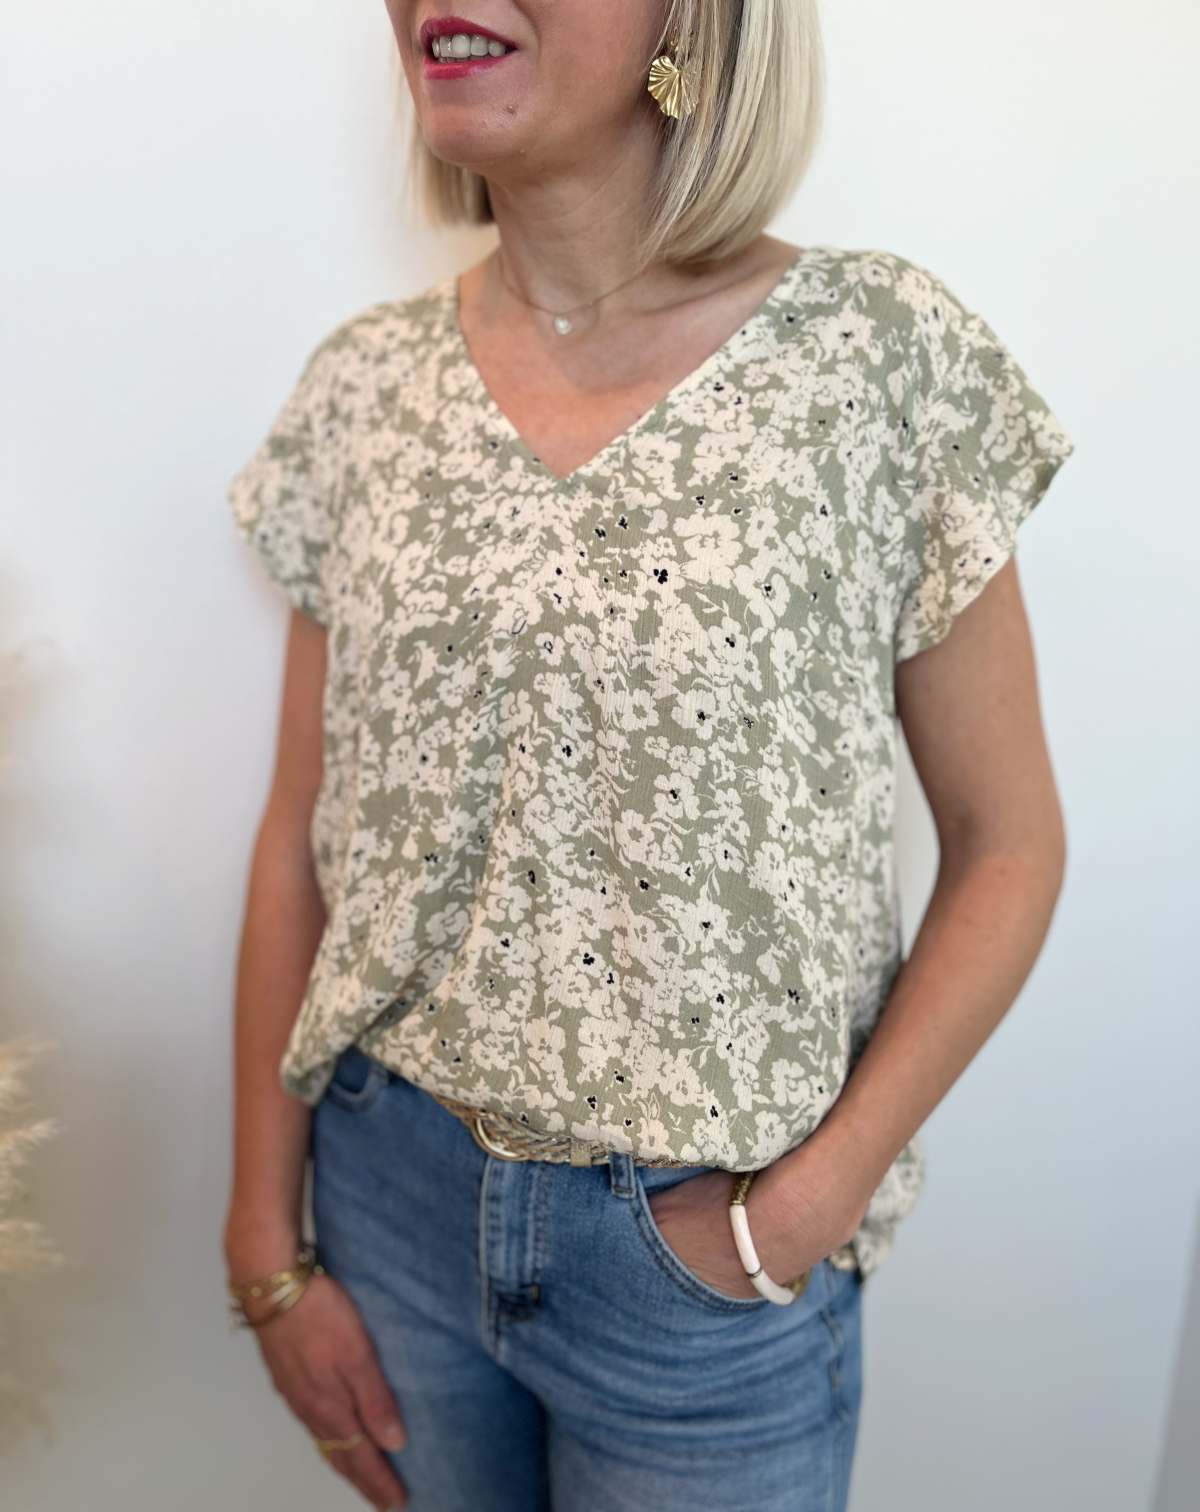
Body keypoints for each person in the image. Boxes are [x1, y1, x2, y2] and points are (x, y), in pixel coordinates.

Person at [221, 3, 1074, 1509]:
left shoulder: (876, 360)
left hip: (703, 1272)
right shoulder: (362, 390)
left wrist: (799, 1211)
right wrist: (263, 1238)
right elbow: (303, 834)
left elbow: (1010, 844)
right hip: (387, 1195)